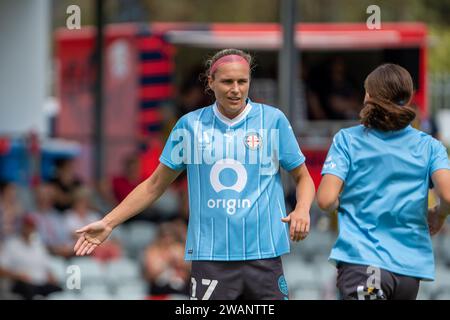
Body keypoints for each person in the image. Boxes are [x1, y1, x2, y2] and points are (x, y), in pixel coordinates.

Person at [74, 48, 316, 300]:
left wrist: (302, 209)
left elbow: (303, 177)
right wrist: (109, 222)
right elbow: (154, 185)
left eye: (242, 81)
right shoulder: (190, 126)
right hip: (210, 258)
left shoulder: (273, 120)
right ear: (210, 83)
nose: (236, 89)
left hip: (264, 256)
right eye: (227, 81)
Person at [316, 63, 450, 300]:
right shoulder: (430, 146)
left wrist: (345, 205)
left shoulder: (347, 140)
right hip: (409, 271)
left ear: (368, 96)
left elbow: (325, 200)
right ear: (408, 98)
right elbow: (448, 195)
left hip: (363, 264)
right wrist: (439, 215)